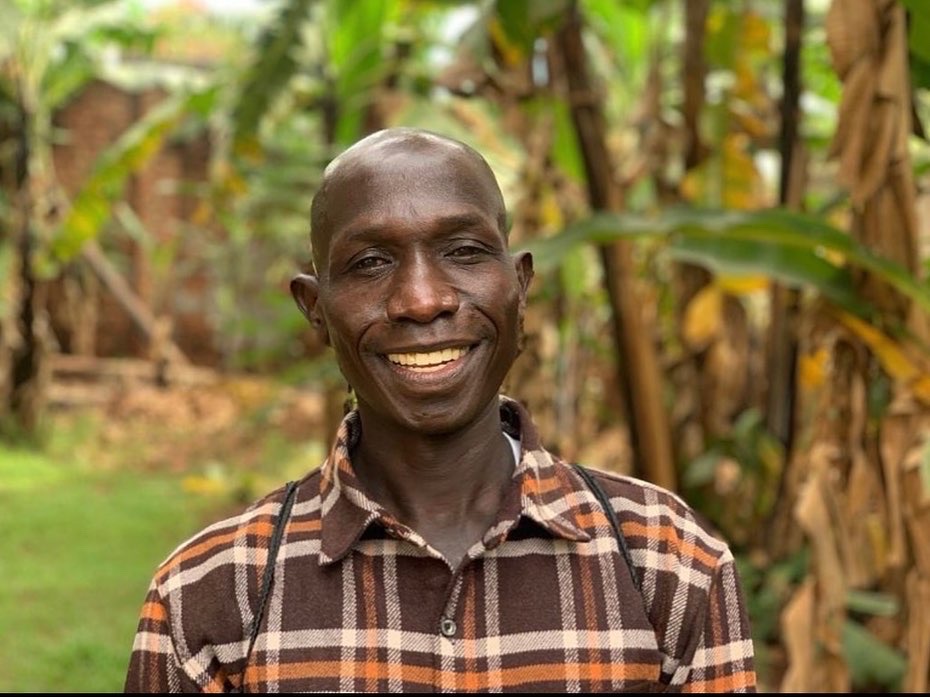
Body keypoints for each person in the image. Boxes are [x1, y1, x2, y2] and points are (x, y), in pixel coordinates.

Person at [124, 128, 756, 693]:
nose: (422, 300)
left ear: (520, 285)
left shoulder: (670, 565)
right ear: (315, 307)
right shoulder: (210, 595)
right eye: (370, 263)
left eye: (462, 251)